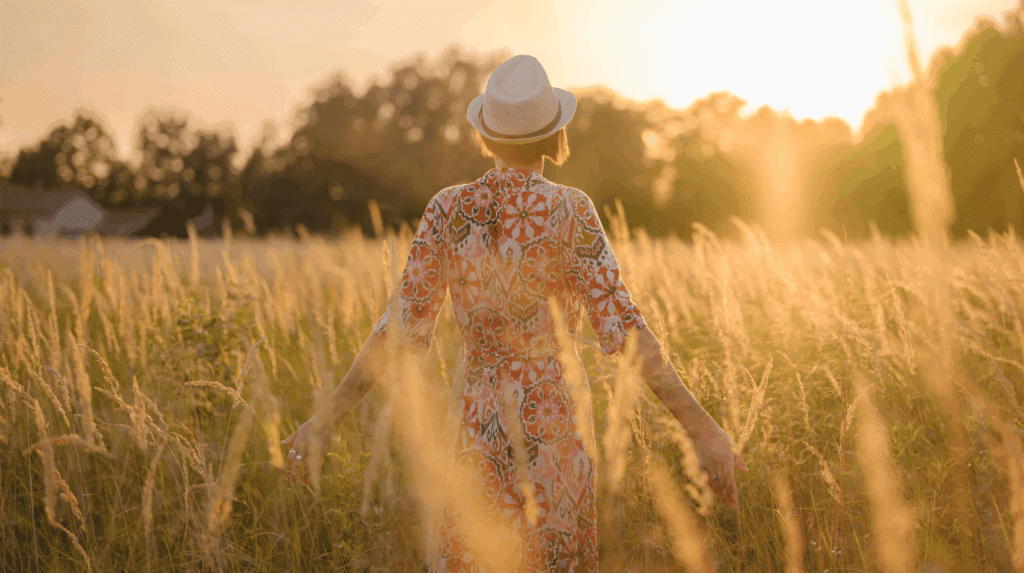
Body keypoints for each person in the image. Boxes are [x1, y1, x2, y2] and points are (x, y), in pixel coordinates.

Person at [282, 54, 748, 572]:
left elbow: (395, 332)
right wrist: (704, 430)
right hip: (556, 439)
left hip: (477, 435)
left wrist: (323, 422)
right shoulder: (572, 211)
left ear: (487, 136)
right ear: (554, 137)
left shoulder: (447, 211)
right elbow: (627, 332)